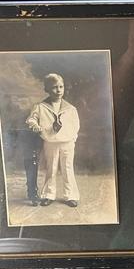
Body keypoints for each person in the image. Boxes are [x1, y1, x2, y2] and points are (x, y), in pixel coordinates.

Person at [26, 73, 80, 207]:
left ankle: (70, 195)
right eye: (54, 87)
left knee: (68, 168)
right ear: (47, 89)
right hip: (50, 142)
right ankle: (49, 194)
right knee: (51, 169)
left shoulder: (70, 108)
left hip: (67, 142)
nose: (58, 90)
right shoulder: (41, 107)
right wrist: (35, 126)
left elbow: (76, 125)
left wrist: (73, 138)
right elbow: (31, 119)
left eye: (61, 87)